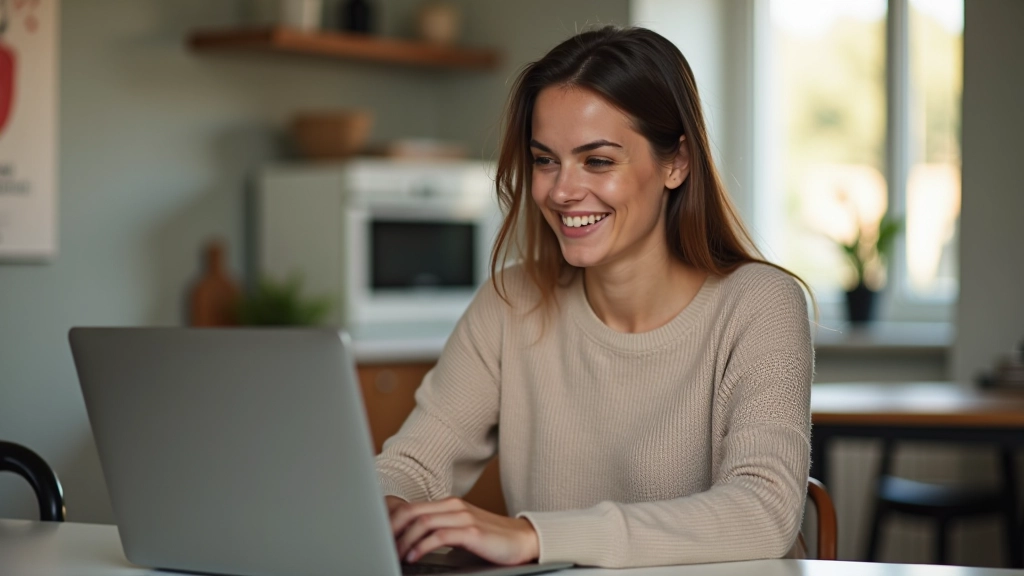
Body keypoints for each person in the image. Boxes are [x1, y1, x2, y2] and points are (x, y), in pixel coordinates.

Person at [376, 25, 813, 569]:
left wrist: (535, 537)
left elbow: (763, 511)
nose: (561, 191)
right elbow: (411, 468)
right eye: (544, 160)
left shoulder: (760, 304)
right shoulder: (511, 302)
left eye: (598, 161)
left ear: (676, 162)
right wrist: (383, 505)